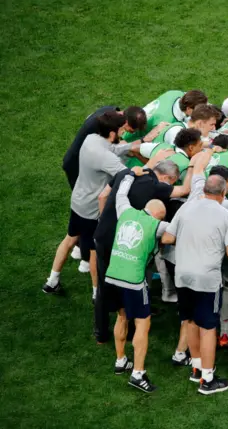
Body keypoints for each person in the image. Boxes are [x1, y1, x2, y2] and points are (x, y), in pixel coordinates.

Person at [161, 174, 228, 394]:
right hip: (207, 279)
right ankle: (208, 380)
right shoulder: (226, 215)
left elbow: (167, 238)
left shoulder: (186, 208)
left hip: (183, 274)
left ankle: (197, 369)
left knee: (189, 321)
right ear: (224, 192)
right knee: (208, 328)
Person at [93, 158, 190, 343]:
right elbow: (184, 190)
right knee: (131, 282)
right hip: (122, 241)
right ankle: (129, 329)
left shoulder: (126, 173)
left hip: (102, 235)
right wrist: (194, 166)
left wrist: (105, 219)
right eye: (171, 181)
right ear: (166, 177)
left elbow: (102, 196)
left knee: (103, 286)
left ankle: (101, 333)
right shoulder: (156, 186)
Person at [43, 112, 132, 298]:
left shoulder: (91, 139)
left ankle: (52, 281)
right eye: (121, 129)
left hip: (77, 201)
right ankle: (96, 293)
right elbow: (127, 175)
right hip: (92, 210)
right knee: (94, 252)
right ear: (114, 133)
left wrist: (135, 145)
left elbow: (111, 150)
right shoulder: (105, 157)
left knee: (69, 239)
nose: (124, 131)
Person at [105, 171, 169, 393]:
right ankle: (138, 374)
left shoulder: (125, 211)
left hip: (111, 276)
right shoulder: (157, 226)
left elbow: (121, 192)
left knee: (121, 316)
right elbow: (176, 233)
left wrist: (131, 174)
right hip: (133, 280)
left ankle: (121, 360)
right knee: (143, 323)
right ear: (158, 216)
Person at [122, 90, 208, 142]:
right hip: (131, 138)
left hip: (132, 122)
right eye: (198, 110)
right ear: (189, 109)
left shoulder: (176, 93)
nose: (200, 113)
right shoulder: (167, 122)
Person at [138, 128, 204, 184]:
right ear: (191, 148)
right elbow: (187, 189)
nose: (202, 148)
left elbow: (133, 148)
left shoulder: (162, 147)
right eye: (200, 145)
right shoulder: (186, 165)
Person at [152, 104, 222, 146]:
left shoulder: (195, 130)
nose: (214, 128)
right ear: (200, 123)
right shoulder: (177, 132)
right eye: (212, 124)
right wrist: (211, 145)